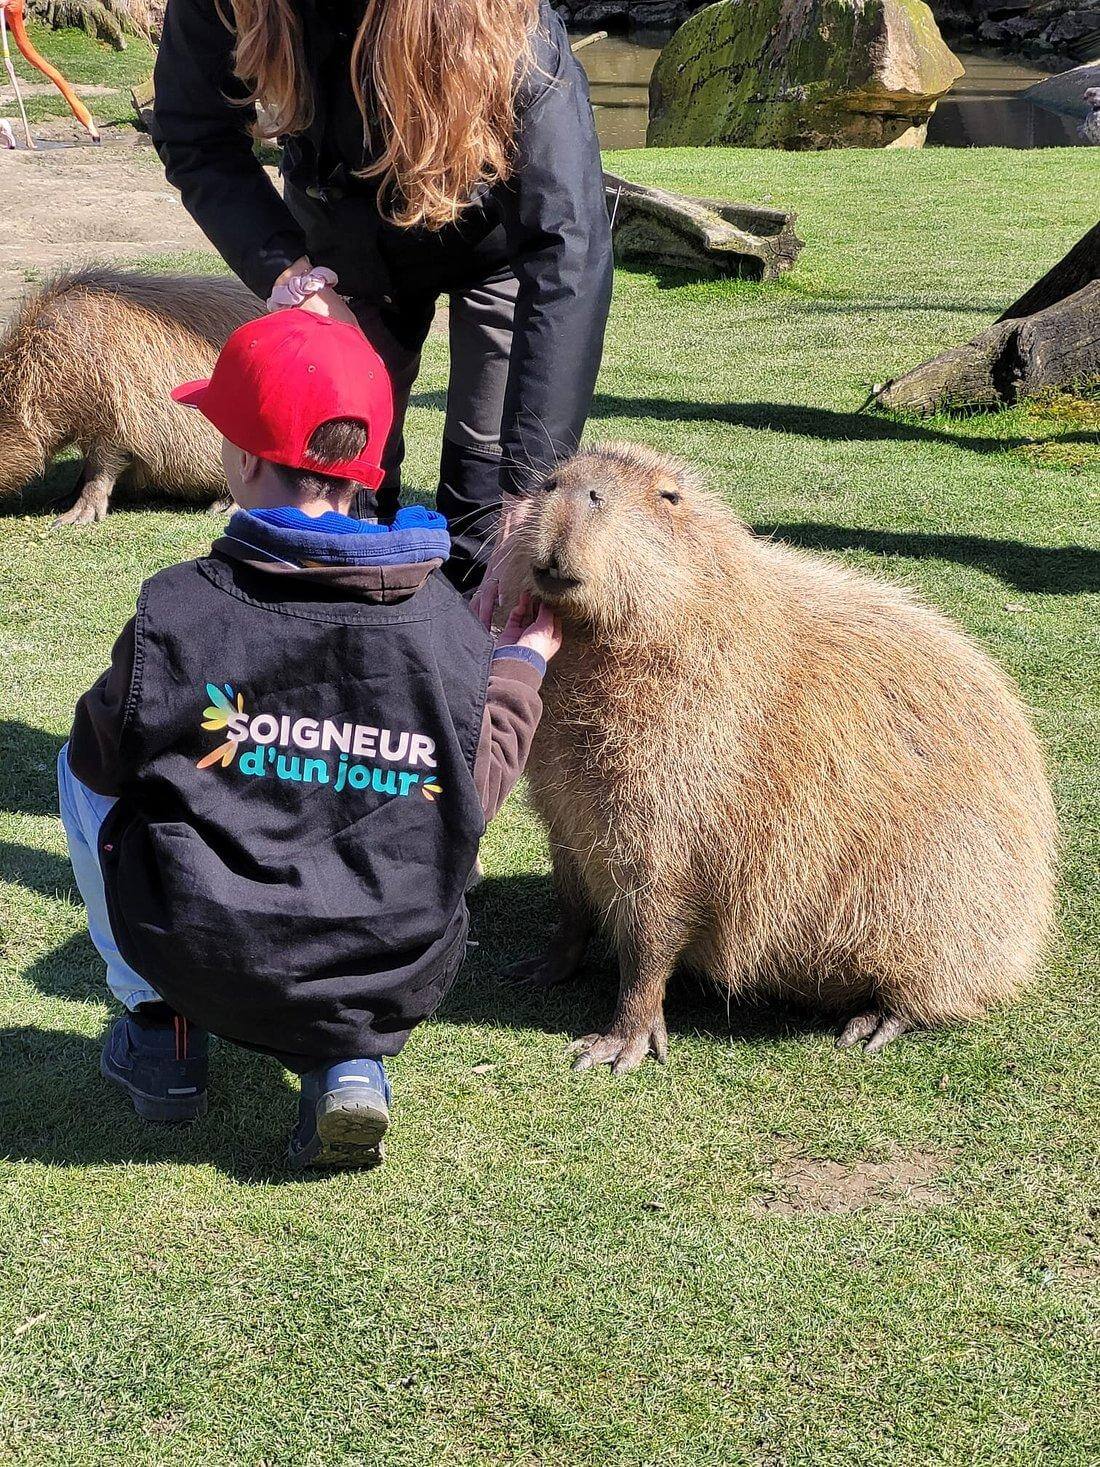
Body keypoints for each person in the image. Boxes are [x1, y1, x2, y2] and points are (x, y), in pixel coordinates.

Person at [57, 309, 560, 1169]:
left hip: (200, 955)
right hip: (392, 972)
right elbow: (474, 793)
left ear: (245, 458)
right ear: (363, 473)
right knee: (430, 802)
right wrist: (516, 667)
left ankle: (157, 1026)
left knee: (80, 767)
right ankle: (350, 1061)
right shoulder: (446, 626)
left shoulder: (179, 609)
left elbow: (105, 758)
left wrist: (242, 743)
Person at [152, 0, 614, 607]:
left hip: (494, 241)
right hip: (342, 249)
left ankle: (468, 660)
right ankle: (341, 657)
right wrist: (292, 274)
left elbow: (567, 244)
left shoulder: (514, 23)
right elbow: (194, 132)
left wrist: (532, 484)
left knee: (489, 500)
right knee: (337, 476)